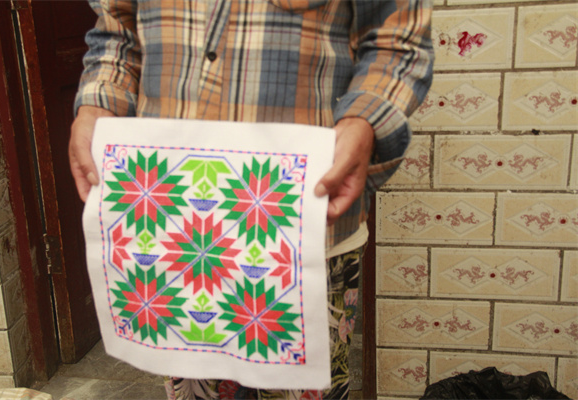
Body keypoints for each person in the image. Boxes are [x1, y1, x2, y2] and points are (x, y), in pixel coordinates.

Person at [70, 1, 434, 399]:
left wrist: (364, 119)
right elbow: (117, 32)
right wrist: (96, 103)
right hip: (173, 230)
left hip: (303, 228)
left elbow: (397, 42)